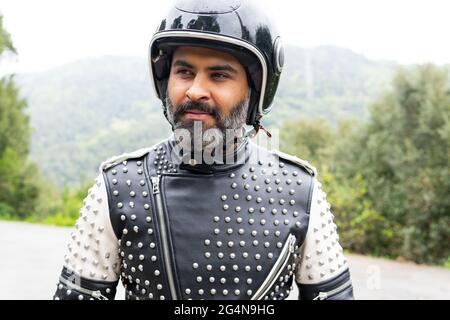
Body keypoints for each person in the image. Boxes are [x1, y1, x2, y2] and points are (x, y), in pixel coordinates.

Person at [53, 0, 354, 300]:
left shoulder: (301, 191)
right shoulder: (117, 186)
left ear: (254, 90)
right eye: (184, 72)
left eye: (219, 75)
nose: (195, 90)